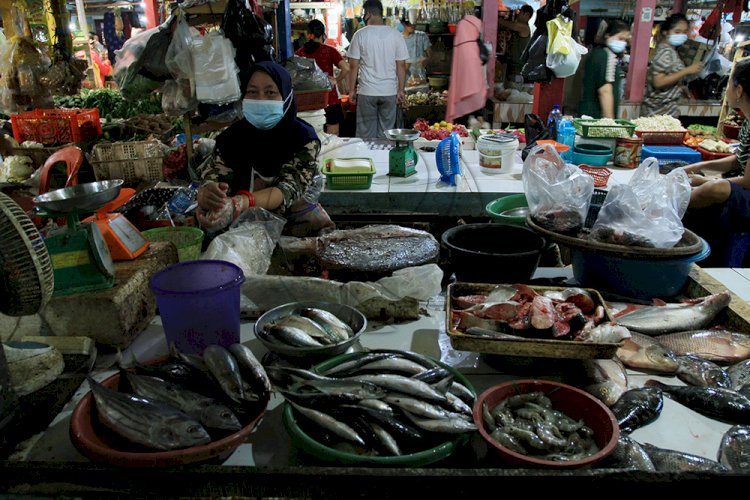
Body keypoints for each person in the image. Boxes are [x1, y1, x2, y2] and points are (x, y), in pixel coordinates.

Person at [195, 61, 335, 238]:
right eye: (252, 92)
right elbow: (214, 178)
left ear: (286, 97)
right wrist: (208, 198)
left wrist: (240, 203)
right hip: (244, 234)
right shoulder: (230, 139)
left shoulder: (303, 139)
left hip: (296, 230)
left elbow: (288, 189)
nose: (260, 99)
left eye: (270, 92)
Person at [680, 58, 750, 266]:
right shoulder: (747, 121)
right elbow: (739, 160)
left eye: (729, 83)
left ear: (739, 91)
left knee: (716, 187)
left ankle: (668, 209)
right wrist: (697, 167)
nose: (726, 88)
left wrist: (702, 183)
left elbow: (747, 181)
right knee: (702, 180)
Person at [346, 0, 409, 138]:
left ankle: (368, 158)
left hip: (367, 92)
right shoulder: (395, 35)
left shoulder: (360, 35)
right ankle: (383, 158)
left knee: (366, 136)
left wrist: (351, 90)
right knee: (386, 136)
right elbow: (401, 65)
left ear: (368, 13)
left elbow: (353, 66)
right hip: (389, 92)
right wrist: (401, 90)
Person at [641, 13, 704, 118]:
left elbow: (670, 76)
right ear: (666, 32)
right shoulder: (665, 52)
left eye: (684, 32)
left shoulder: (671, 51)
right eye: (677, 32)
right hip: (657, 113)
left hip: (666, 111)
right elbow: (658, 81)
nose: (681, 35)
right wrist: (686, 70)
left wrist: (681, 88)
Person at [295, 20, 350, 136]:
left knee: (312, 137)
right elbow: (346, 68)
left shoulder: (299, 53)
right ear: (323, 35)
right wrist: (336, 80)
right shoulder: (329, 51)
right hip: (330, 99)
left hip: (308, 103)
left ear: (308, 34)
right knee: (332, 140)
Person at [578, 19, 631, 119]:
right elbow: (605, 91)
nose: (623, 43)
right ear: (608, 35)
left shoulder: (597, 53)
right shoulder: (606, 56)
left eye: (625, 40)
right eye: (620, 38)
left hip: (587, 112)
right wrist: (610, 122)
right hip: (596, 115)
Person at [445, 11, 489, 124]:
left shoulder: (462, 46)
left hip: (463, 102)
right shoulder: (472, 46)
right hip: (473, 103)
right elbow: (475, 84)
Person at [497, 4, 534, 85]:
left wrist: (497, 18)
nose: (517, 14)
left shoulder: (524, 28)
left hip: (518, 70)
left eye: (520, 12)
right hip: (511, 68)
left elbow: (513, 25)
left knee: (513, 92)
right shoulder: (519, 28)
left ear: (527, 15)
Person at [400, 17, 431, 85]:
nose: (412, 26)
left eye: (414, 23)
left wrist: (425, 60)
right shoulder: (398, 39)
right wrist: (404, 66)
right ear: (402, 23)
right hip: (403, 80)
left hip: (420, 78)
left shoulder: (421, 36)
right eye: (409, 24)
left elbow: (430, 56)